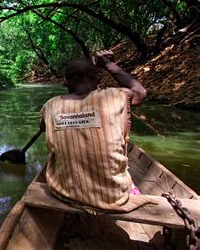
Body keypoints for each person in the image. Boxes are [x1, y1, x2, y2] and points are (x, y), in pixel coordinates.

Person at [39, 50, 151, 212]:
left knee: (54, 152)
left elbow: (43, 127)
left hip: (65, 192)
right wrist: (109, 65)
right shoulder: (115, 96)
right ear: (97, 80)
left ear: (66, 82)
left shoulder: (50, 106)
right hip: (114, 197)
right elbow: (140, 92)